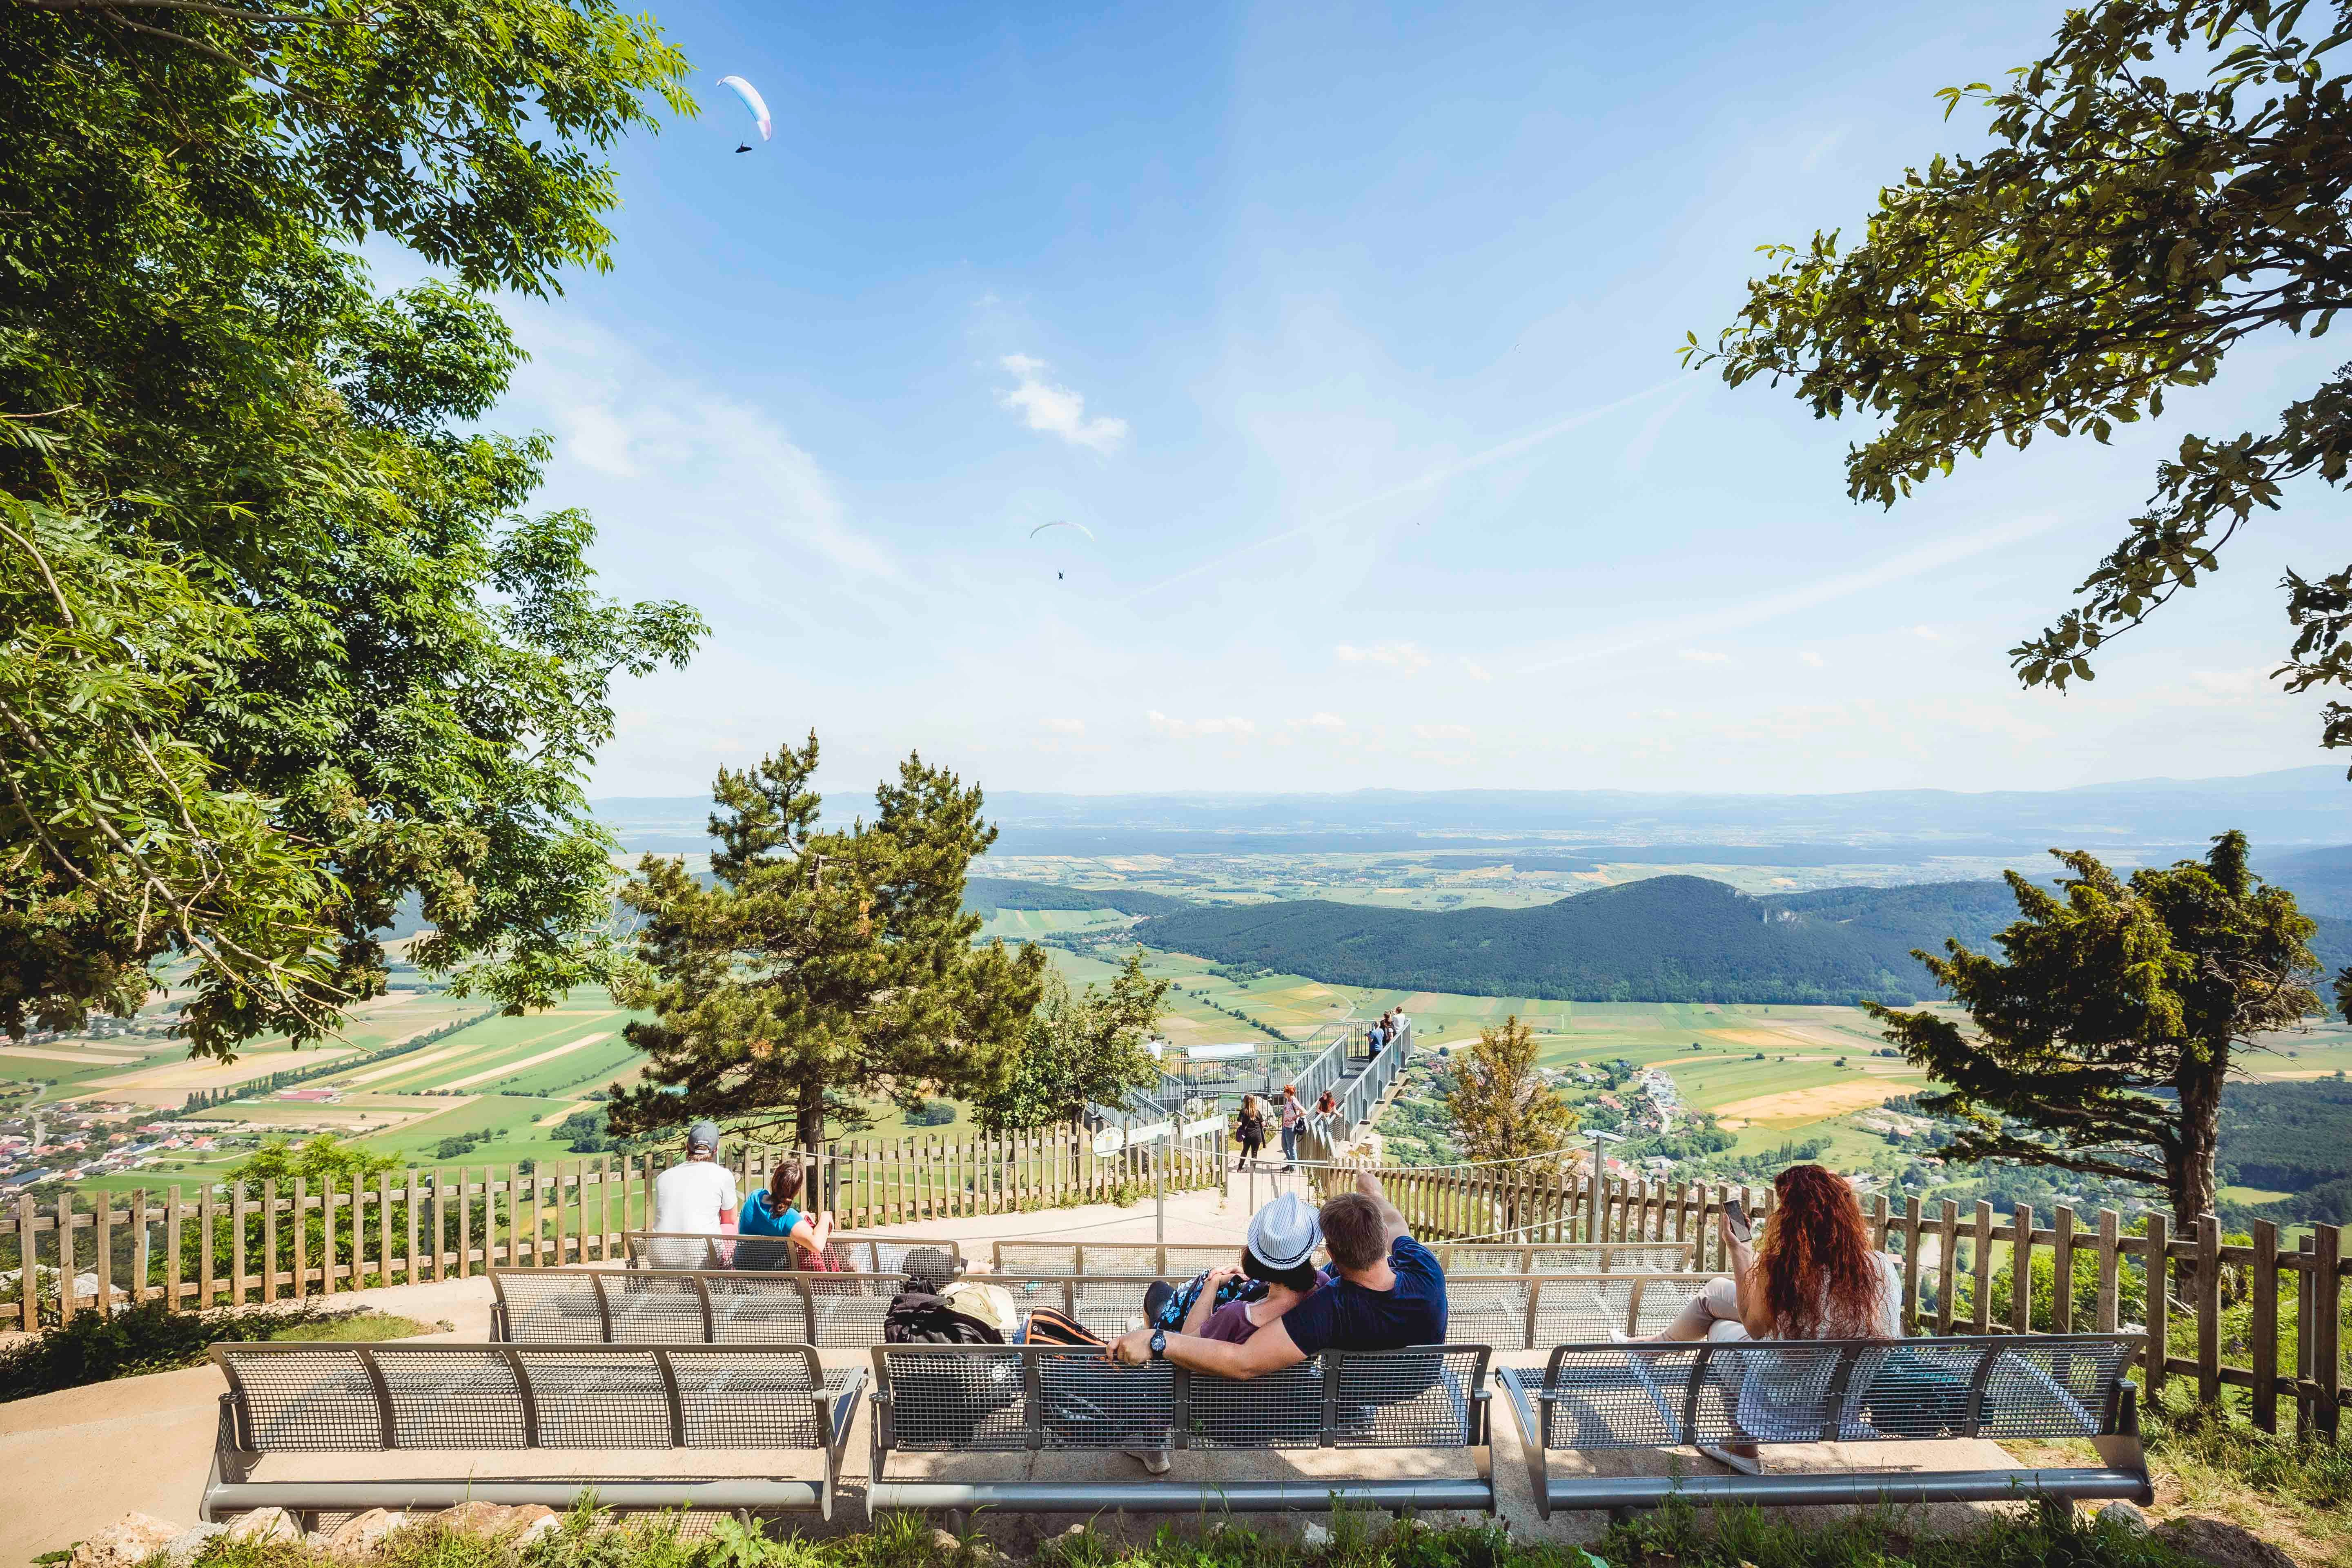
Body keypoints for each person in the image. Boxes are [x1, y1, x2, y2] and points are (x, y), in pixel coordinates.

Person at [1629, 1164, 1900, 1472]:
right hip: (1842, 1398)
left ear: (1793, 1217)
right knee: (1716, 1291)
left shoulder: (1788, 1269)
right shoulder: (1880, 1267)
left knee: (1719, 1327)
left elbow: (1754, 1326)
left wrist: (1740, 1248)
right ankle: (1654, 1346)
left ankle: (1742, 1446)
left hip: (1786, 1397)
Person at [1106, 1171, 1445, 1380]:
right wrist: (1374, 1194)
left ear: (1331, 1254)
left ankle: (1154, 1322)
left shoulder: (1331, 1309)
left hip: (1246, 1406)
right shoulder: (1424, 1268)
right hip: (1409, 1381)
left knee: (1160, 1295)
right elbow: (1397, 1223)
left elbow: (1244, 1362)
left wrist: (1157, 1340)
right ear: (1383, 1239)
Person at [646, 1121, 737, 1269]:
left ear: (687, 1147)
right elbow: (729, 1220)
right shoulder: (723, 1176)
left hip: (660, 1259)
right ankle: (722, 1280)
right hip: (701, 1260)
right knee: (732, 1226)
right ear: (716, 1150)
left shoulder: (664, 1177)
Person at [737, 1158, 835, 1268]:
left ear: (774, 1179)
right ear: (798, 1190)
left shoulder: (755, 1196)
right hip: (775, 1278)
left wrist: (800, 1217)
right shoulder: (788, 1218)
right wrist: (825, 1216)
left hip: (744, 1268)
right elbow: (817, 1246)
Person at [1234, 1093, 1267, 1171]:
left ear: (1245, 1102)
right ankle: (1253, 1170)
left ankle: (1240, 1168)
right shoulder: (1257, 1112)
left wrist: (1233, 1125)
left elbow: (1240, 1123)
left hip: (1247, 1135)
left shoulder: (1243, 1111)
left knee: (1245, 1151)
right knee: (1255, 1154)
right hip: (1257, 1135)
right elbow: (1263, 1124)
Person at [1278, 1083, 1304, 1170]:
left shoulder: (1294, 1101)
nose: (1284, 1093)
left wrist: (1296, 1117)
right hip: (1285, 1126)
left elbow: (1304, 1112)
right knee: (1284, 1146)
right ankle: (1291, 1164)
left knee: (1291, 1148)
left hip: (1291, 1127)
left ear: (1289, 1093)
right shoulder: (1288, 1100)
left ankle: (1293, 1167)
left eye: (1285, 1092)